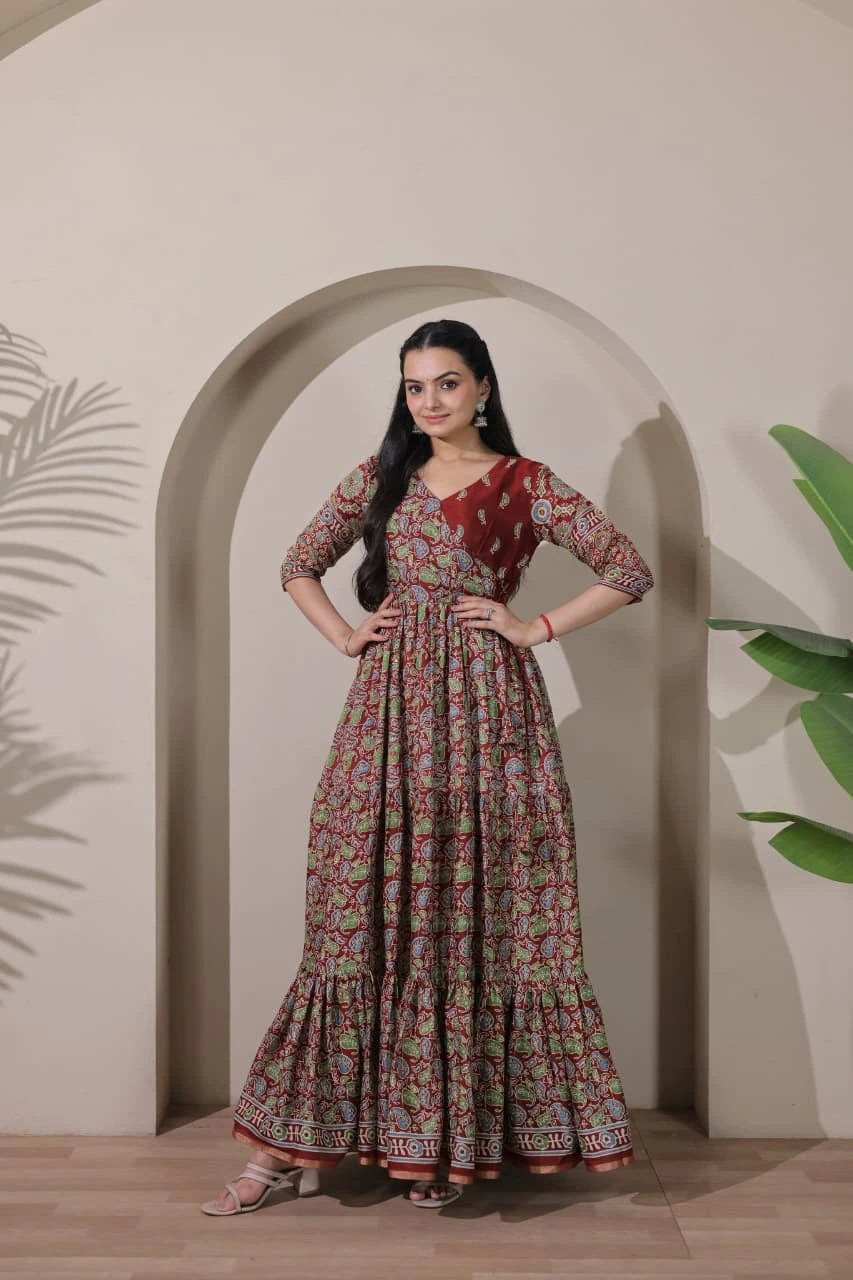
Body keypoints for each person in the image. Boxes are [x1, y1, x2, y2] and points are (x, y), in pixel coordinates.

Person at [201, 318, 654, 1216]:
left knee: (476, 918)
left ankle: (451, 1145)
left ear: (483, 387)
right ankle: (286, 1153)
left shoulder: (526, 484)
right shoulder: (382, 477)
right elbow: (299, 563)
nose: (430, 401)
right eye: (414, 386)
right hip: (388, 716)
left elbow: (627, 567)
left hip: (492, 718)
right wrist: (344, 633)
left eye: (447, 383)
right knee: (354, 914)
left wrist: (534, 628)